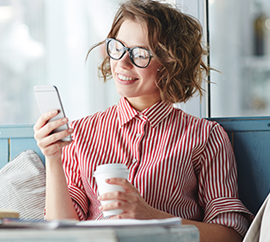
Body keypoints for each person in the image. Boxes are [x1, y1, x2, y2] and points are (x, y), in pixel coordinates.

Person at [34, 1, 253, 241]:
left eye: (140, 54)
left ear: (171, 64)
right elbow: (63, 230)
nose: (122, 63)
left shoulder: (205, 136)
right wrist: (54, 159)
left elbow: (231, 234)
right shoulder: (81, 133)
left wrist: (151, 216)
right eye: (118, 48)